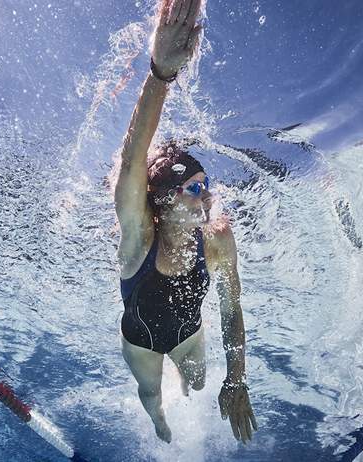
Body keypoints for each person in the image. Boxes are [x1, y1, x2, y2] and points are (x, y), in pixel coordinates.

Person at [113, 0, 257, 444]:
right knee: (150, 391)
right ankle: (159, 420)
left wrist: (236, 379)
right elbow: (133, 161)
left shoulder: (216, 240)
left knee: (196, 384)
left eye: (205, 183)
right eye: (193, 188)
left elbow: (232, 311)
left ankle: (184, 387)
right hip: (139, 340)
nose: (207, 196)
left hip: (188, 334)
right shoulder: (140, 237)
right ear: (163, 199)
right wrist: (160, 75)